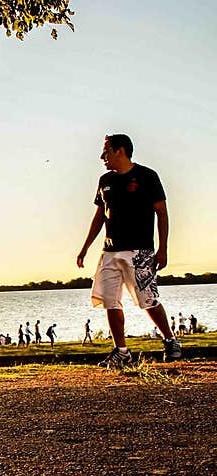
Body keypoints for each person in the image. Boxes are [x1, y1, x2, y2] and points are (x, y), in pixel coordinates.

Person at [76, 134, 182, 369]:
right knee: (110, 300)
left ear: (120, 151)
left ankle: (171, 340)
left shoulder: (147, 176)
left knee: (148, 299)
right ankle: (122, 351)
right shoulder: (104, 180)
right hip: (110, 251)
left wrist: (162, 248)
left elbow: (162, 213)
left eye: (106, 151)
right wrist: (85, 248)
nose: (102, 157)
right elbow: (99, 216)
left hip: (140, 250)